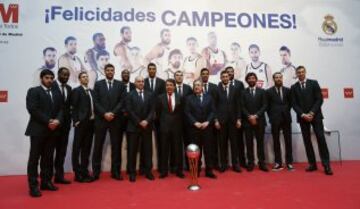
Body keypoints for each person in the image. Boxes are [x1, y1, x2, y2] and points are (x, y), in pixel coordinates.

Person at [25, 69, 63, 197]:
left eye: (52, 78)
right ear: (42, 78)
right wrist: (48, 121)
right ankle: (33, 186)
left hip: (53, 131)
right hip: (38, 130)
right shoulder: (34, 91)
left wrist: (57, 120)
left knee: (48, 158)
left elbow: (62, 109)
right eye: (47, 78)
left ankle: (46, 182)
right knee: (34, 159)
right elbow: (33, 109)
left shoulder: (57, 93)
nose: (50, 80)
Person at [291, 66, 333, 175]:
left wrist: (312, 113)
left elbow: (319, 99)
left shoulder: (313, 83)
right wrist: (303, 114)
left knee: (321, 139)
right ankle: (312, 164)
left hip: (316, 116)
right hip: (303, 118)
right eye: (298, 72)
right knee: (307, 141)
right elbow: (294, 104)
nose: (300, 74)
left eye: (302, 72)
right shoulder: (294, 87)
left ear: (305, 72)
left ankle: (326, 165)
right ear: (296, 74)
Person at [92, 63, 126, 181]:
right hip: (101, 120)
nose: (110, 72)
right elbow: (95, 102)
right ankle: (96, 172)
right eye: (108, 70)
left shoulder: (120, 85)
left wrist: (113, 113)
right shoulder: (98, 84)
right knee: (98, 146)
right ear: (104, 71)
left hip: (116, 120)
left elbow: (122, 101)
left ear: (114, 71)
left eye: (112, 70)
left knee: (116, 147)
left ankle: (115, 172)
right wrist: (104, 113)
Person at [126, 76, 156, 182]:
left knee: (148, 150)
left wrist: (146, 121)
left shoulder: (150, 94)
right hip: (133, 127)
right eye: (138, 81)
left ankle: (148, 172)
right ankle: (132, 172)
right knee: (132, 151)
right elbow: (129, 110)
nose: (141, 83)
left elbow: (152, 110)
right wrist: (139, 122)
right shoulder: (130, 95)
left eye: (142, 81)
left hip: (147, 127)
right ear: (135, 83)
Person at [185, 80, 217, 179]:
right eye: (195, 85)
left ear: (202, 87)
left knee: (208, 151)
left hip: (207, 128)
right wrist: (195, 122)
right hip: (194, 129)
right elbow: (187, 112)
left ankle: (209, 170)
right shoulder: (188, 98)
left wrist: (208, 122)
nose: (197, 87)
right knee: (196, 151)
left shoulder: (209, 98)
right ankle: (196, 170)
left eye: (198, 85)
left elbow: (213, 111)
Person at [214, 70, 243, 173]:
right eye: (223, 76)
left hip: (233, 121)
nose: (225, 78)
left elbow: (238, 105)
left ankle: (235, 164)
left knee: (234, 144)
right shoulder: (217, 90)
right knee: (222, 144)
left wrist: (239, 119)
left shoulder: (235, 89)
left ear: (229, 77)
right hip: (221, 122)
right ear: (221, 78)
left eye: (227, 76)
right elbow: (214, 106)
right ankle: (224, 164)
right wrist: (216, 120)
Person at [156, 79, 185, 179]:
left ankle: (179, 170)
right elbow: (158, 114)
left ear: (174, 87)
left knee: (178, 150)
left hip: (177, 128)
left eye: (171, 85)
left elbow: (182, 113)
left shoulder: (180, 97)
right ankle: (164, 171)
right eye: (167, 85)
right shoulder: (160, 98)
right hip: (164, 128)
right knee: (164, 150)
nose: (169, 87)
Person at [241, 72, 269, 172]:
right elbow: (242, 106)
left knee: (260, 143)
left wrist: (256, 116)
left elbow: (265, 105)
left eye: (253, 78)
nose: (251, 80)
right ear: (247, 80)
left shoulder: (262, 92)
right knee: (249, 144)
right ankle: (251, 163)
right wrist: (249, 116)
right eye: (249, 78)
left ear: (256, 80)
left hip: (260, 121)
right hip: (247, 122)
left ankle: (262, 163)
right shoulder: (243, 92)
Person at [266, 72, 294, 171]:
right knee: (276, 141)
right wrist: (273, 116)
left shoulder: (288, 90)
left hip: (286, 118)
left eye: (280, 77)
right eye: (276, 77)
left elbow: (291, 104)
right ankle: (278, 163)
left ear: (282, 78)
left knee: (288, 141)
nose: (278, 79)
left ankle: (289, 162)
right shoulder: (268, 92)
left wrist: (284, 111)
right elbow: (267, 107)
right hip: (275, 119)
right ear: (274, 79)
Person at [71, 72, 95, 182]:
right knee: (77, 149)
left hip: (91, 124)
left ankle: (84, 171)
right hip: (81, 124)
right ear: (80, 79)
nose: (86, 78)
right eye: (83, 77)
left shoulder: (91, 91)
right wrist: (76, 121)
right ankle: (77, 173)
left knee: (86, 149)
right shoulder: (76, 91)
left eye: (87, 77)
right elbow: (73, 107)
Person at [51, 67, 72, 184]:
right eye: (63, 74)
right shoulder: (51, 86)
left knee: (61, 152)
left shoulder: (69, 88)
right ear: (58, 74)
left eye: (67, 75)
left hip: (65, 126)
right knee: (48, 152)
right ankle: (47, 177)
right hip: (53, 124)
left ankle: (59, 176)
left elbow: (68, 107)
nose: (66, 77)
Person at [144, 63, 165, 173]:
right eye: (150, 69)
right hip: (146, 116)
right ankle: (145, 168)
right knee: (145, 143)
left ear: (156, 70)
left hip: (159, 117)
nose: (152, 70)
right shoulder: (143, 82)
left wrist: (158, 113)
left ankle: (162, 167)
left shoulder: (162, 82)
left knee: (161, 142)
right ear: (148, 70)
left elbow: (163, 100)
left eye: (153, 69)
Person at [225, 66, 246, 168]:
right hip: (224, 120)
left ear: (233, 73)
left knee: (239, 142)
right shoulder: (220, 86)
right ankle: (226, 163)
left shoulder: (239, 84)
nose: (229, 73)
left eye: (231, 72)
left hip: (236, 119)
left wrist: (239, 118)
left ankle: (240, 162)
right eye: (227, 72)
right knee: (224, 143)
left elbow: (240, 103)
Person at [174, 70, 193, 170]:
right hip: (175, 122)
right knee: (176, 145)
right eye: (177, 75)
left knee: (188, 144)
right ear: (174, 77)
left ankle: (189, 165)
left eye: (181, 75)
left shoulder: (188, 88)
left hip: (187, 122)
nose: (179, 77)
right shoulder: (171, 88)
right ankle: (177, 166)